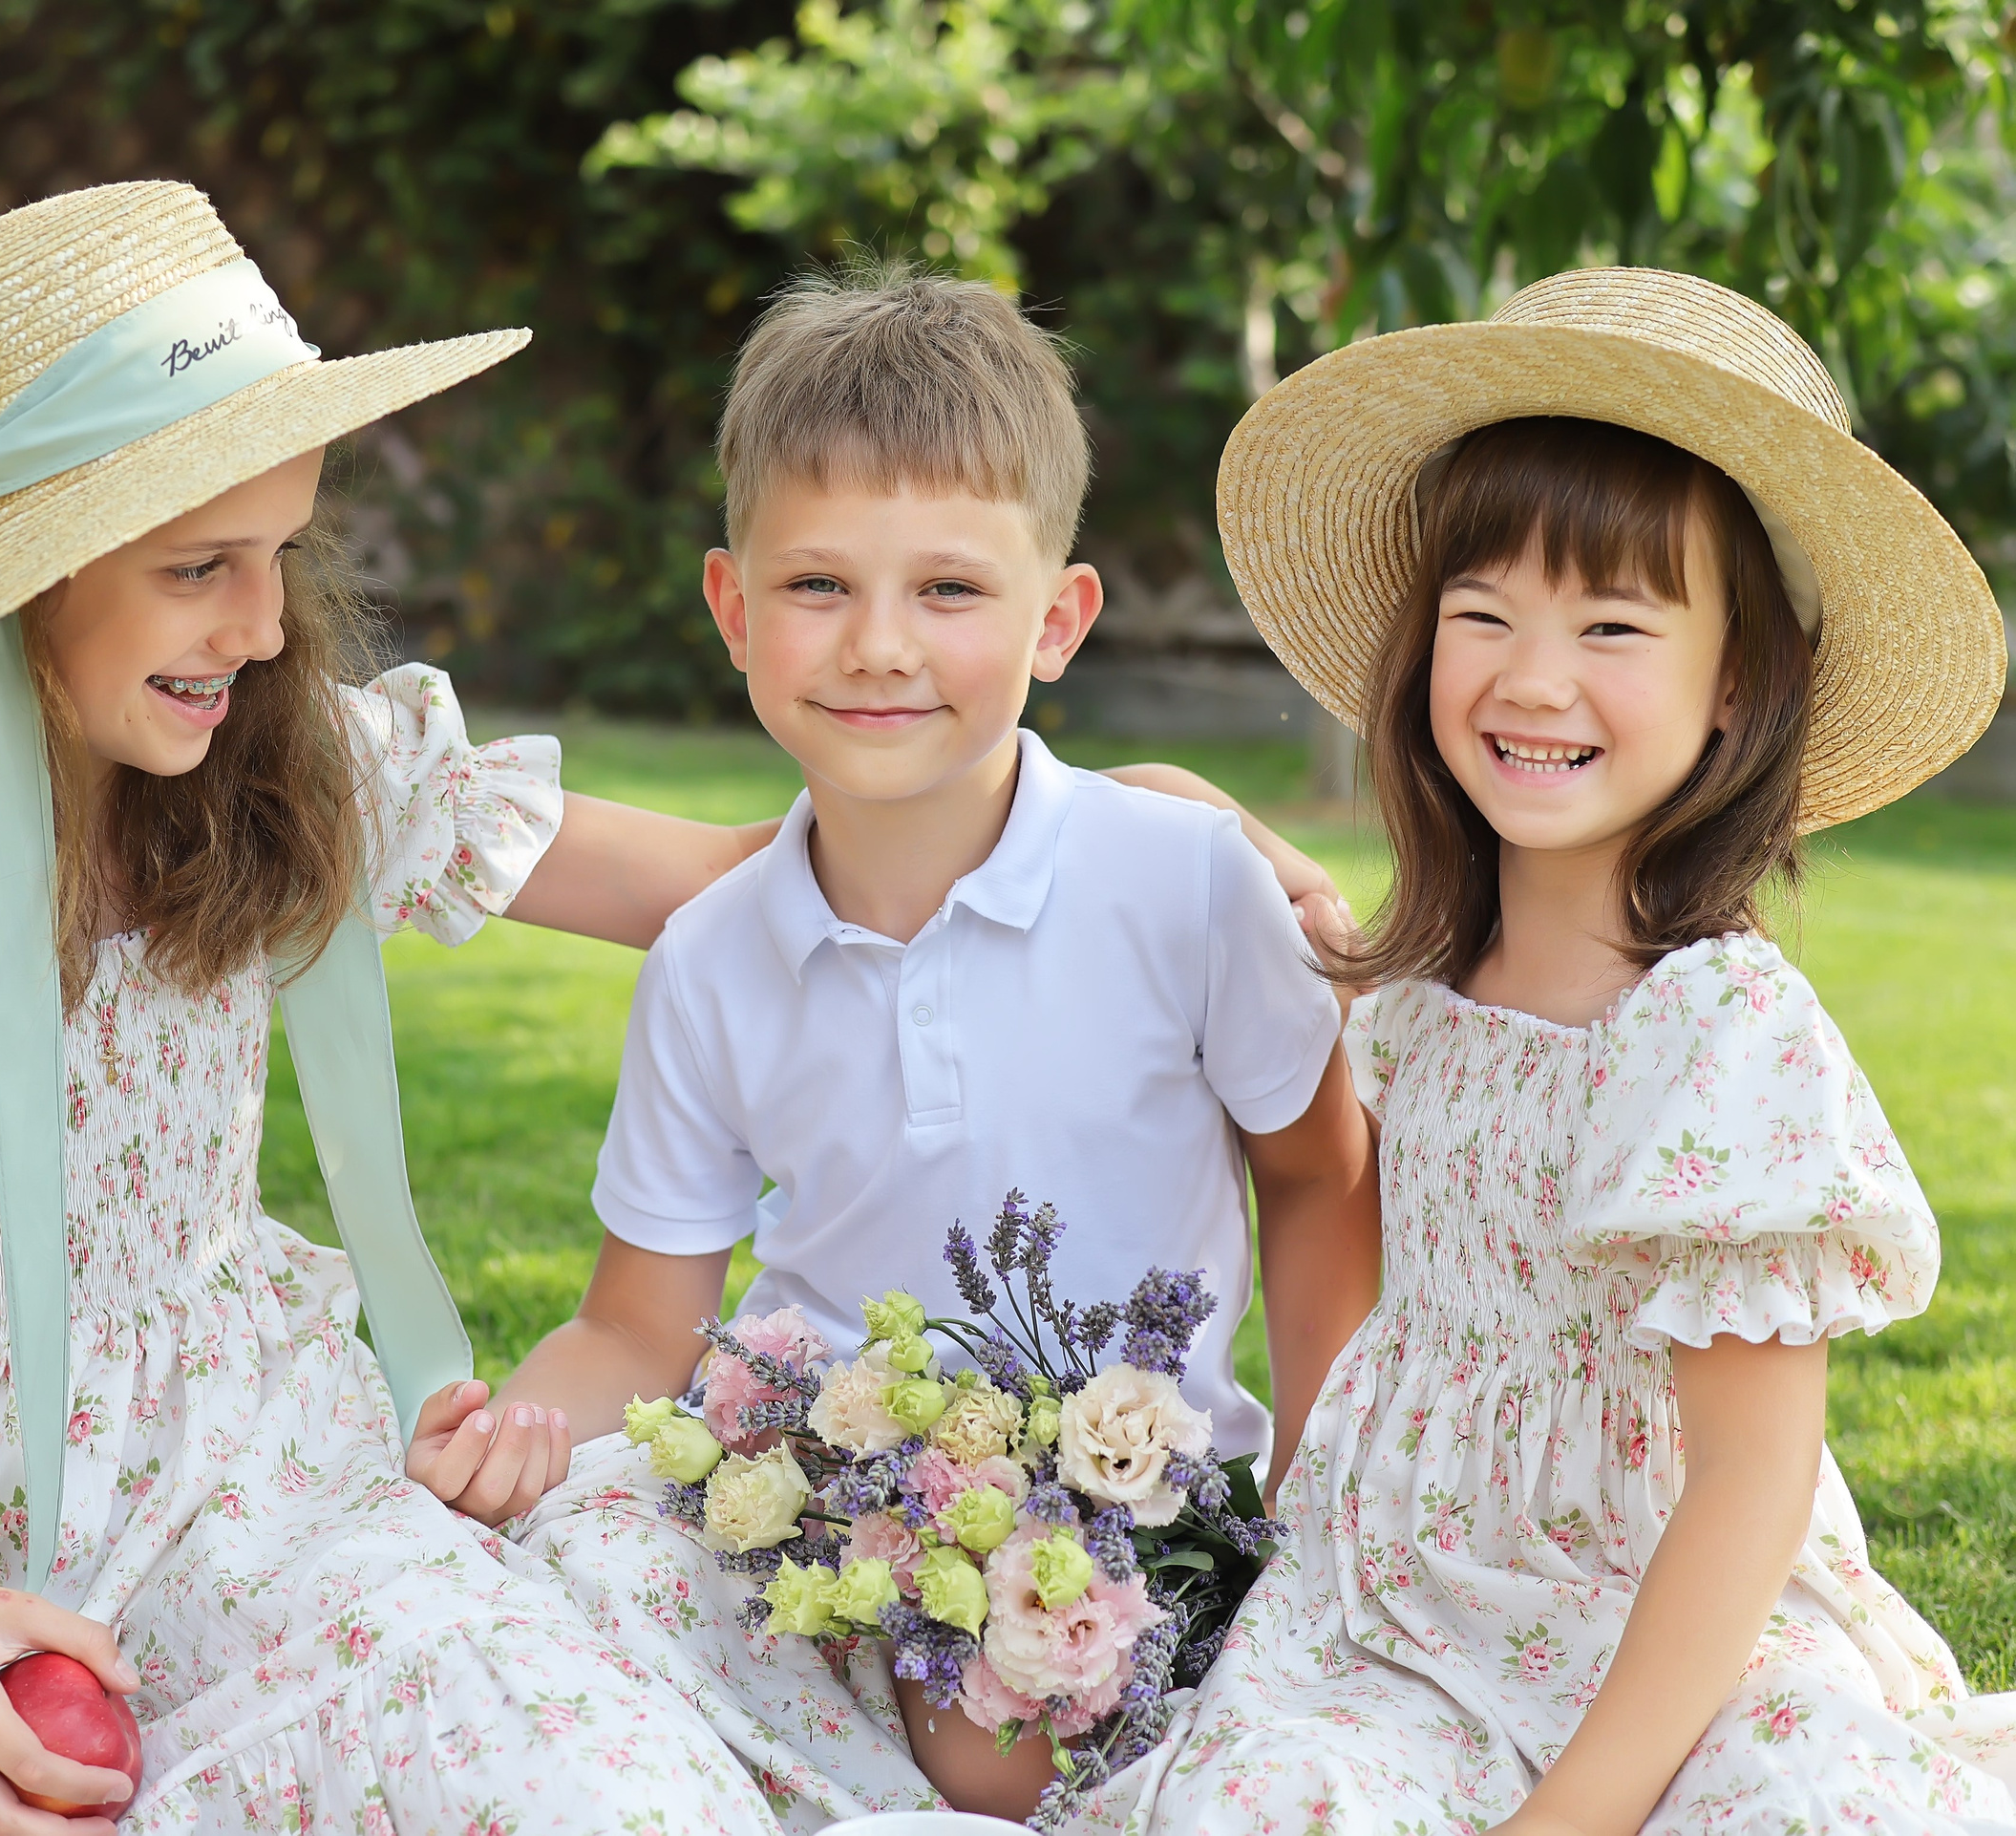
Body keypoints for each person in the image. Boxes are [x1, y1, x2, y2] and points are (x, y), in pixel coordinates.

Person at [0, 181, 812, 1836]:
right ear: (20, 582)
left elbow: (750, 879)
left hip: (256, 1508)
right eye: (200, 565)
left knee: (589, 1778)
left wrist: (1138, 820)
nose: (266, 622)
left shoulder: (307, 770)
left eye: (281, 551)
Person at [415, 260, 1384, 1825]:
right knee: (525, 1620)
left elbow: (1324, 1171)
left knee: (1012, 1749)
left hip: (1144, 1520)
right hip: (831, 1523)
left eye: (948, 589)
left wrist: (1327, 1495)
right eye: (817, 587)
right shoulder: (714, 960)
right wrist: (519, 1437)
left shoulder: (1186, 882)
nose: (878, 645)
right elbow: (638, 1328)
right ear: (734, 607)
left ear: (1058, 619)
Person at [1077, 267, 2016, 1832]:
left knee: (1812, 1809)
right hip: (1400, 1620)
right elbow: (1225, 860)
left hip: (1680, 1632)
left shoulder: (1719, 1033)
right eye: (1482, 613)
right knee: (1269, 1803)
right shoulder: (1423, 990)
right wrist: (1199, 812)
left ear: (1737, 687)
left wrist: (1565, 1818)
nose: (1532, 675)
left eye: (1612, 624)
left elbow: (1745, 1487)